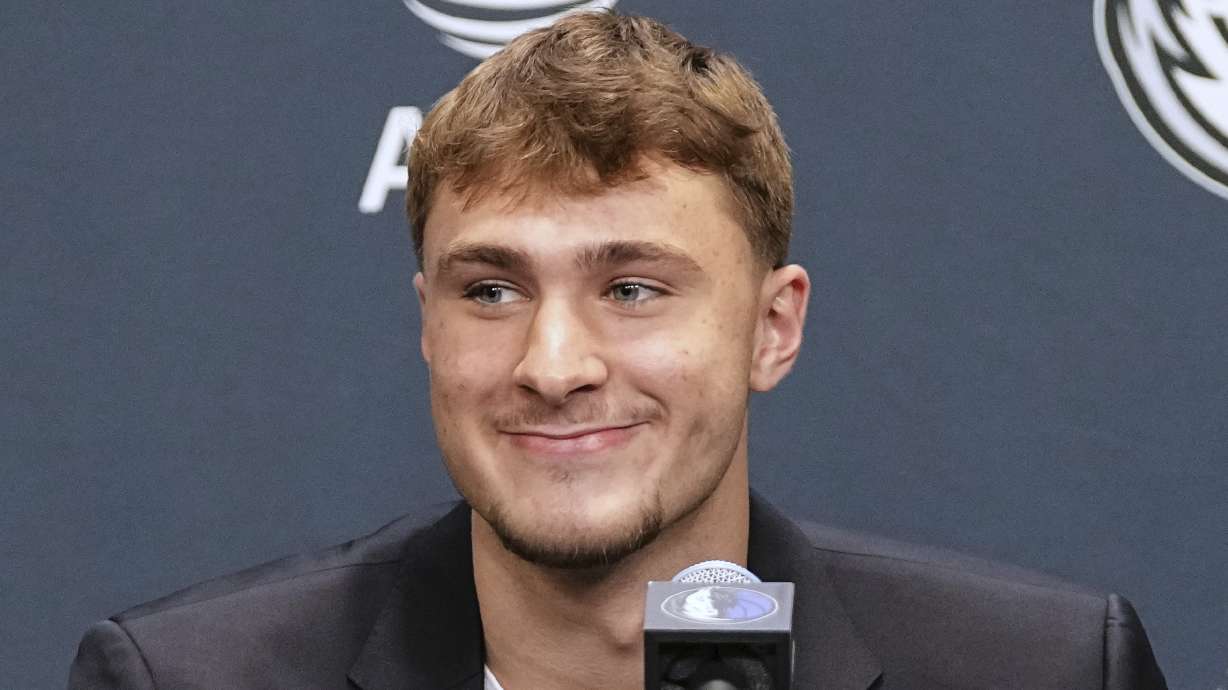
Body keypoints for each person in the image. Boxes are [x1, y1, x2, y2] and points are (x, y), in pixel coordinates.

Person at [69, 11, 1167, 690]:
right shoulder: (187, 681)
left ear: (771, 327)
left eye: (632, 288)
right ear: (425, 323)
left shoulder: (1044, 672)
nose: (553, 364)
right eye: (490, 289)